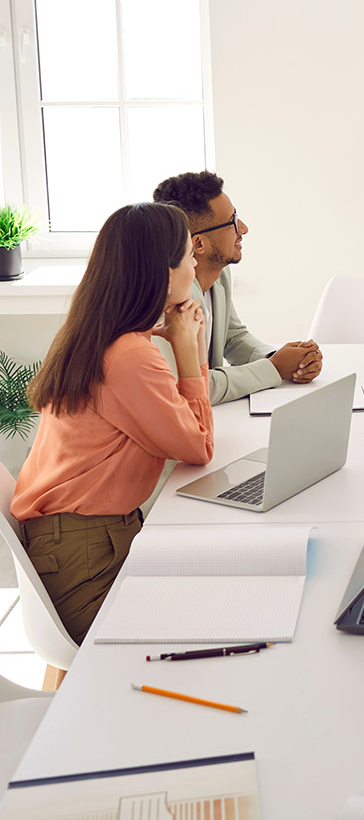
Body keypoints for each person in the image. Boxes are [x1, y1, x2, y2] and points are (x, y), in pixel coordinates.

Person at [11, 203, 214, 643]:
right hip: (85, 563)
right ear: (163, 275)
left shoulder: (97, 334)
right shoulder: (130, 356)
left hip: (73, 545)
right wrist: (189, 352)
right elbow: (198, 448)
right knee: (213, 615)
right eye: (187, 255)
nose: (196, 262)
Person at [153, 171, 322, 405]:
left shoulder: (219, 273)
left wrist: (284, 359)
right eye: (232, 222)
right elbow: (190, 387)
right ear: (199, 244)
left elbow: (233, 338)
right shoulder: (169, 297)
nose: (243, 228)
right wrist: (273, 369)